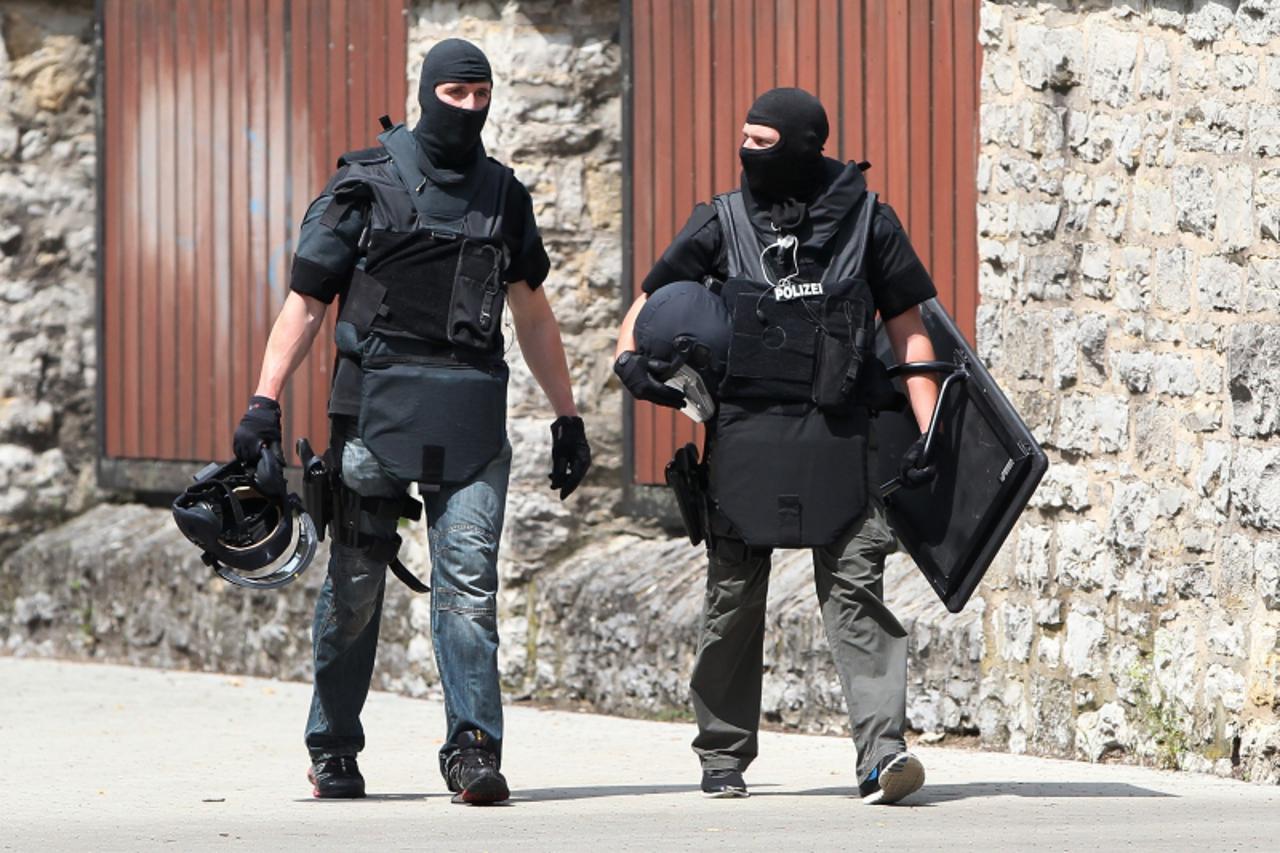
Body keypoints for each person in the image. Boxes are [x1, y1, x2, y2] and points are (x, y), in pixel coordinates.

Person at [231, 39, 591, 805]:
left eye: (480, 95)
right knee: (356, 587)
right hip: (373, 418)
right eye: (455, 93)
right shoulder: (364, 186)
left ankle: (473, 749)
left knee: (469, 587)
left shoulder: (503, 196)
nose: (468, 108)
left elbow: (531, 308)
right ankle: (331, 746)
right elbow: (305, 300)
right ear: (428, 92)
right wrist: (264, 402)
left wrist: (568, 415)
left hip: (470, 418)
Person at [614, 87, 940, 805]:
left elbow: (911, 332)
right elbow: (647, 306)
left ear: (803, 145)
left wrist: (930, 433)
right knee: (732, 600)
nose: (748, 153)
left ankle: (883, 754)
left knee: (857, 593)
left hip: (845, 439)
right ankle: (722, 752)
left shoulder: (867, 220)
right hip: (743, 441)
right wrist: (634, 362)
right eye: (744, 139)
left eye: (763, 141)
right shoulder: (722, 221)